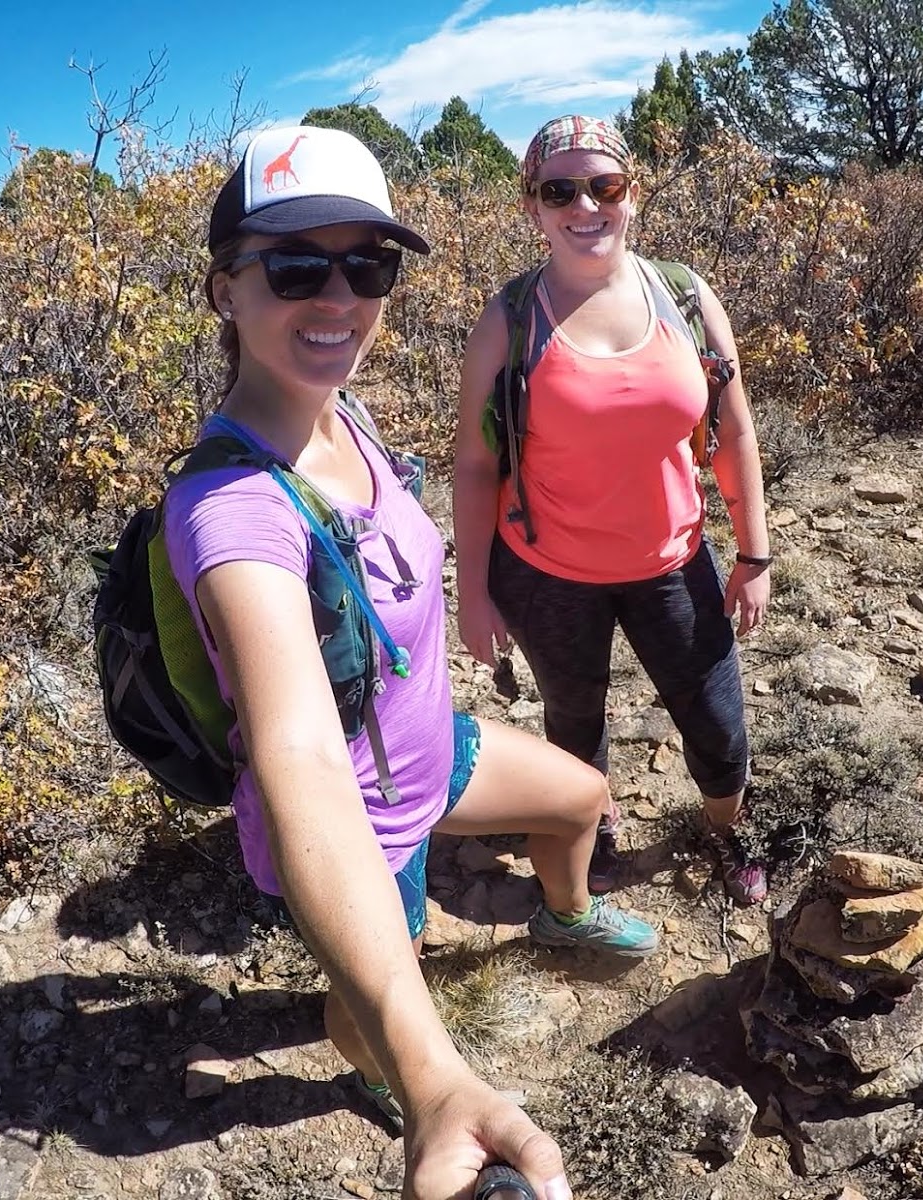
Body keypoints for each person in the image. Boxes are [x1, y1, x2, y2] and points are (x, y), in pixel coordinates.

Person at [176, 125, 658, 1200]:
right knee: (367, 1011)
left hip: (433, 748)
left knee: (580, 797)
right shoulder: (235, 511)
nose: (338, 296)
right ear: (224, 291)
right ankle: (396, 1073)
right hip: (359, 818)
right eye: (296, 266)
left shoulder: (338, 410)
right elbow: (298, 756)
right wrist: (437, 1075)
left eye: (369, 264)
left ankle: (564, 911)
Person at [452, 115, 775, 906]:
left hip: (672, 559)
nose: (584, 205)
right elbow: (474, 463)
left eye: (605, 185)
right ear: (532, 206)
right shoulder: (509, 318)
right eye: (559, 189)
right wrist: (473, 592)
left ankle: (727, 833)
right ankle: (593, 828)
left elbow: (733, 430)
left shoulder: (687, 299)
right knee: (574, 718)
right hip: (545, 570)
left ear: (632, 195)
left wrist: (754, 553)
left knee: (716, 723)